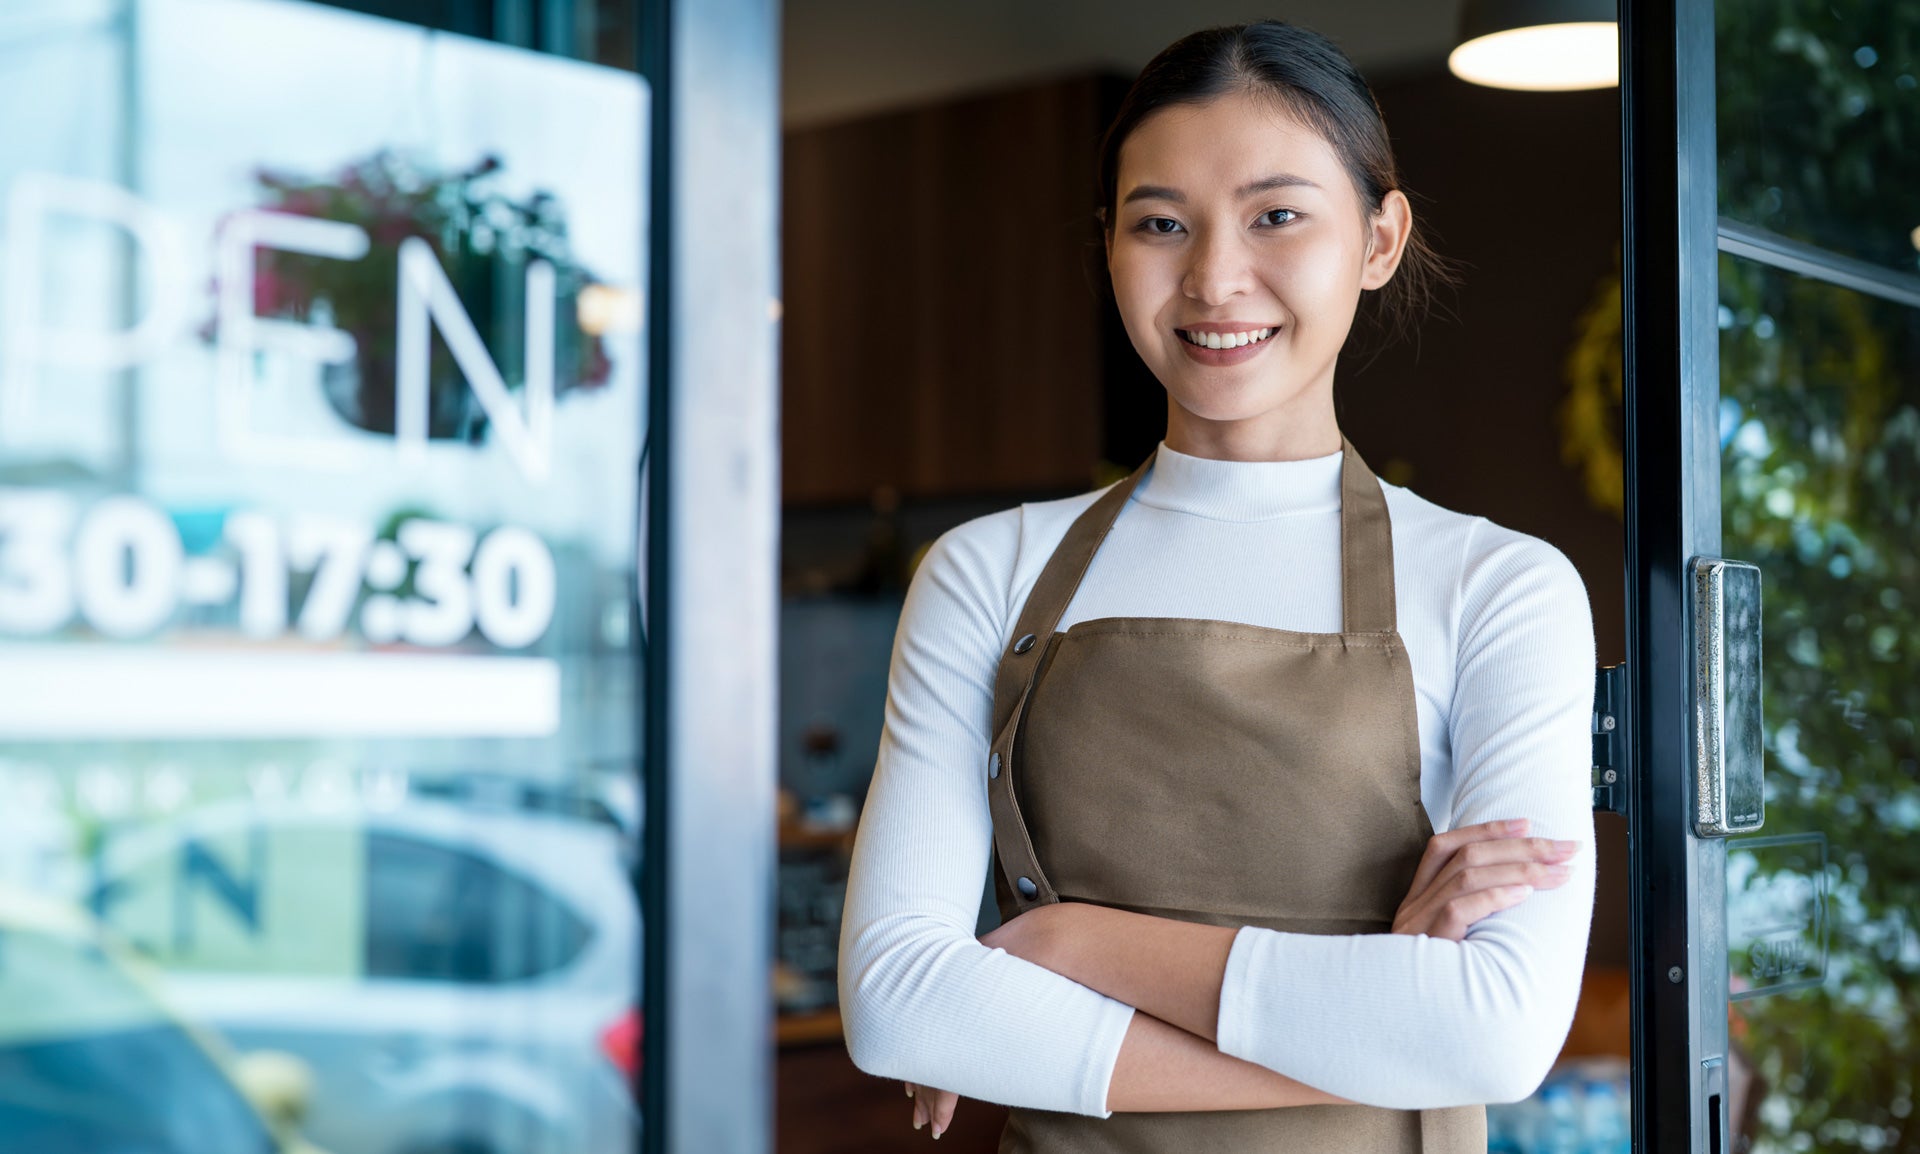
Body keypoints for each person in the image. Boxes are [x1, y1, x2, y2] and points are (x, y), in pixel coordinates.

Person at [836, 20, 1596, 1152]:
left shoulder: (1501, 587)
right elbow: (899, 1000)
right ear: (1109, 247)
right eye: (1160, 224)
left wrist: (1071, 945)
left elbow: (1496, 1034)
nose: (1213, 278)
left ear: (1380, 238)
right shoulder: (988, 570)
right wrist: (1374, 999)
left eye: (1276, 215)